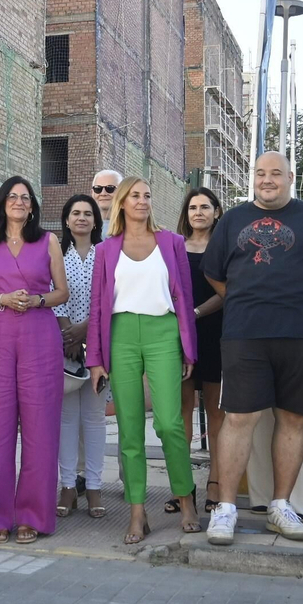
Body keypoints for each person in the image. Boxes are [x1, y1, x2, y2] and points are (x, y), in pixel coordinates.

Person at [204, 152, 303, 546]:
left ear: (290, 178)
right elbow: (213, 273)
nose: (267, 179)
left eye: (276, 173)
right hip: (244, 334)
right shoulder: (233, 220)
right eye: (260, 173)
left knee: (293, 419)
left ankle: (280, 505)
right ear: (252, 178)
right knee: (239, 419)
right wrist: (243, 299)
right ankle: (224, 510)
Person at [84, 177, 199, 543]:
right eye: (135, 195)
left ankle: (186, 499)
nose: (143, 201)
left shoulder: (171, 242)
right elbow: (98, 305)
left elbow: (183, 296)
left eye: (147, 195)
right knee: (130, 430)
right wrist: (96, 358)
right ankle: (137, 512)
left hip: (163, 332)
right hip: (120, 334)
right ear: (121, 202)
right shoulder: (106, 249)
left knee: (169, 424)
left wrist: (188, 348)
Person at [0, 176, 68, 543]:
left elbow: (62, 292)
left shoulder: (49, 241)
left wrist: (37, 301)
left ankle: (32, 515)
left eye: (25, 198)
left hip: (39, 337)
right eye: (12, 196)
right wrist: (3, 300)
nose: (18, 202)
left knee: (40, 428)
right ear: (1, 204)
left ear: (32, 207)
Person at [54, 194, 107, 520]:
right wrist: (67, 334)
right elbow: (52, 290)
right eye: (76, 213)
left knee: (95, 418)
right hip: (64, 348)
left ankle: (96, 486)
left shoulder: (106, 253)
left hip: (99, 345)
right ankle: (68, 486)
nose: (82, 218)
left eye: (88, 213)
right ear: (67, 220)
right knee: (66, 418)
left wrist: (85, 330)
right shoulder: (57, 253)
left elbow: (109, 296)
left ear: (95, 221)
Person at [175, 186, 227, 516]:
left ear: (216, 211)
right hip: (179, 336)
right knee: (180, 417)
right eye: (193, 207)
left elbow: (229, 292)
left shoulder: (224, 249)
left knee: (216, 415)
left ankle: (215, 486)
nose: (198, 212)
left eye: (205, 206)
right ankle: (183, 489)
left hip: (216, 334)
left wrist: (194, 314)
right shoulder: (175, 247)